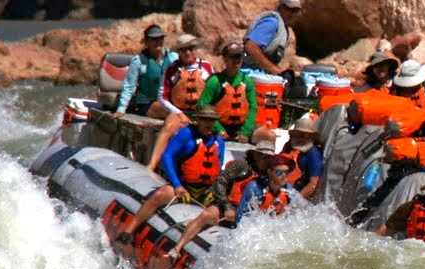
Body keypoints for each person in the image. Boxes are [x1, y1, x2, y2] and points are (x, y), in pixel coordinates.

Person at [120, 104, 225, 247]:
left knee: (219, 213)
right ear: (198, 120)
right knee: (159, 195)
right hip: (184, 188)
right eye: (205, 119)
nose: (209, 123)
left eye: (212, 120)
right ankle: (129, 231)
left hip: (206, 192)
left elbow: (218, 171)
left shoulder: (219, 142)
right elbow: (167, 156)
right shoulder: (186, 134)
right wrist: (176, 184)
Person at [198, 43, 259, 141]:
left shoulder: (247, 81)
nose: (236, 60)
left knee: (268, 135)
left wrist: (246, 131)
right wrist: (219, 129)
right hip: (219, 126)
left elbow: (253, 107)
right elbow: (202, 106)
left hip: (241, 127)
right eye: (232, 57)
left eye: (239, 56)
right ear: (225, 59)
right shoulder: (215, 81)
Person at [114, 24, 176, 116]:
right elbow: (129, 86)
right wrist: (121, 109)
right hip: (146, 103)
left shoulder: (172, 58)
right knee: (171, 112)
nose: (158, 42)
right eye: (154, 39)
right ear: (146, 42)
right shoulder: (138, 61)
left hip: (168, 100)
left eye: (160, 39)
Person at [227, 148, 295, 222]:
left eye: (287, 172)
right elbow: (241, 217)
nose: (284, 176)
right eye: (279, 172)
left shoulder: (289, 189)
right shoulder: (254, 188)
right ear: (269, 172)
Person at [244, 0, 303, 75]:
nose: (292, 14)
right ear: (281, 7)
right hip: (249, 74)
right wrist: (275, 70)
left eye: (296, 11)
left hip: (262, 75)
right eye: (290, 9)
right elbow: (250, 46)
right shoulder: (272, 22)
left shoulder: (284, 28)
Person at [286, 116, 327, 202]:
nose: (302, 138)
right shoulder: (300, 151)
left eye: (306, 135)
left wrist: (295, 203)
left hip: (304, 198)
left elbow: (313, 184)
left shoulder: (313, 155)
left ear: (312, 137)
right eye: (299, 135)